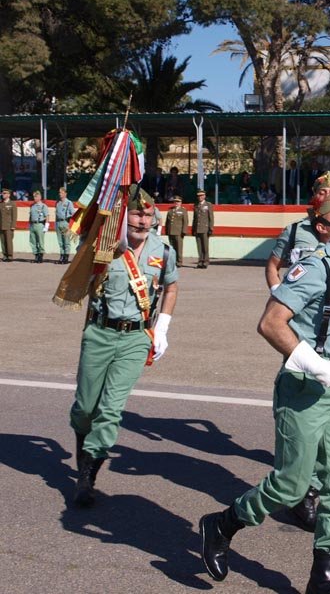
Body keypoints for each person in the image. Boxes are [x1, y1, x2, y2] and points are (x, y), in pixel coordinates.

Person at [199, 177, 330, 593]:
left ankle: (324, 575)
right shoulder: (317, 266)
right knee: (290, 484)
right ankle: (222, 524)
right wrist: (316, 365)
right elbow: (271, 323)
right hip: (305, 391)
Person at [69, 186, 178, 506]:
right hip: (99, 333)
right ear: (123, 215)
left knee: (110, 409)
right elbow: (79, 275)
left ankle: (87, 476)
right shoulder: (103, 244)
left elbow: (171, 287)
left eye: (147, 215)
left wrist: (162, 327)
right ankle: (84, 454)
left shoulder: (164, 251)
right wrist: (95, 235)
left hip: (135, 338)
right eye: (136, 214)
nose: (142, 221)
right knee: (85, 408)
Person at [264, 171, 330, 292]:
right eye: (322, 193)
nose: (327, 196)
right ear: (314, 196)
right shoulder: (294, 230)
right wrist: (278, 294)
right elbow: (272, 266)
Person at [165, 195, 189, 267]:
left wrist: (184, 231)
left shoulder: (183, 210)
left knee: (179, 248)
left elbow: (185, 222)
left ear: (181, 202)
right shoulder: (170, 210)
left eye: (178, 202)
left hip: (179, 232)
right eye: (175, 201)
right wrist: (166, 231)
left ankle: (179, 262)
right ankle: (173, 261)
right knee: (172, 248)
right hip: (171, 231)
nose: (176, 203)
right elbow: (167, 222)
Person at [192, 189, 214, 269]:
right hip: (197, 228)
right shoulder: (196, 205)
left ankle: (205, 262)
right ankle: (200, 261)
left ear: (204, 196)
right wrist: (193, 229)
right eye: (198, 196)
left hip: (205, 228)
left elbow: (211, 218)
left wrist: (210, 228)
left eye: (201, 195)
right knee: (199, 246)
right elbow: (195, 218)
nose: (200, 197)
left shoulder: (208, 205)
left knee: (205, 246)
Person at [55, 187, 76, 264]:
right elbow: (56, 214)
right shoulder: (58, 203)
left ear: (65, 193)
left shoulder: (69, 203)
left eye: (61, 192)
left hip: (65, 222)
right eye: (59, 192)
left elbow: (73, 213)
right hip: (58, 223)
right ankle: (62, 256)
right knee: (60, 241)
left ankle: (66, 257)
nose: (60, 194)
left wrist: (68, 217)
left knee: (66, 241)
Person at [28, 190, 48, 263]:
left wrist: (46, 226)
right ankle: (36, 255)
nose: (34, 198)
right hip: (33, 224)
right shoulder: (32, 206)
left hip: (40, 224)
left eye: (36, 196)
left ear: (40, 197)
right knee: (33, 241)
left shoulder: (43, 206)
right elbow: (30, 216)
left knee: (40, 241)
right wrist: (29, 224)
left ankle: (40, 256)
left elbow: (47, 216)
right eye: (34, 197)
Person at [0, 188, 17, 261]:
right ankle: (5, 255)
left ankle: (10, 256)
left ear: (8, 195)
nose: (3, 195)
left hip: (9, 226)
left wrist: (13, 226)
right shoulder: (1, 204)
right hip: (1, 225)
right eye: (2, 193)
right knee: (3, 241)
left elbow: (14, 215)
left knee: (9, 241)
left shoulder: (12, 204)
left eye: (4, 193)